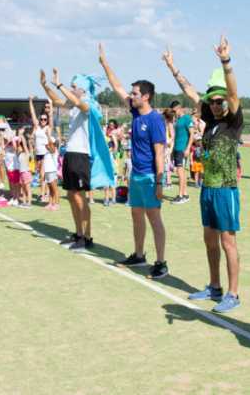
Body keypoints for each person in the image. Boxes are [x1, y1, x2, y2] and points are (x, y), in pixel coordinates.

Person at [163, 36, 243, 312]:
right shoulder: (209, 119)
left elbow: (233, 93)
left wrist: (226, 61)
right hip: (207, 188)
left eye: (220, 101)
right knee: (210, 241)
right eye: (213, 101)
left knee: (227, 242)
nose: (216, 105)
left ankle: (233, 293)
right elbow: (190, 92)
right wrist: (173, 68)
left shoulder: (233, 122)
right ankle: (214, 286)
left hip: (225, 189)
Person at [100, 43, 168, 278]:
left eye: (135, 93)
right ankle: (139, 255)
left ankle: (161, 262)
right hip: (136, 175)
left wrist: (159, 182)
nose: (131, 96)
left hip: (149, 177)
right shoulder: (136, 112)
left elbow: (159, 153)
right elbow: (117, 87)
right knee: (136, 215)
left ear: (146, 96)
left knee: (154, 218)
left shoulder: (155, 120)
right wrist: (105, 64)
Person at [39, 67, 116, 251]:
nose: (71, 89)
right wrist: (45, 86)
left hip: (81, 156)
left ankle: (87, 237)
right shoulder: (74, 105)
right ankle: (78, 233)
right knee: (71, 195)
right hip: (70, 154)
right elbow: (58, 101)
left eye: (74, 86)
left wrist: (59, 84)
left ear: (83, 89)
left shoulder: (88, 105)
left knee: (80, 198)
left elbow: (76, 101)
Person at [168, 101, 194, 204]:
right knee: (181, 172)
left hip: (182, 149)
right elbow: (176, 136)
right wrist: (172, 151)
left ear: (179, 108)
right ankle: (185, 194)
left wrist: (188, 148)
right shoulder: (178, 120)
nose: (174, 113)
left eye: (174, 111)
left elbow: (192, 135)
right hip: (177, 149)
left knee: (180, 173)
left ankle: (181, 196)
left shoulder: (187, 118)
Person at [29, 96, 53, 202]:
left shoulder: (48, 128)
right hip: (37, 154)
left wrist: (51, 104)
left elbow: (51, 116)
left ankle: (42, 195)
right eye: (41, 119)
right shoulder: (37, 127)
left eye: (45, 119)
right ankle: (47, 193)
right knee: (40, 175)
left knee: (43, 175)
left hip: (46, 154)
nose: (43, 120)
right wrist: (30, 101)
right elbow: (32, 113)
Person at [41, 137, 61, 211]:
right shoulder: (47, 152)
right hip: (48, 172)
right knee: (50, 189)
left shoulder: (54, 150)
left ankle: (57, 204)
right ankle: (50, 203)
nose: (45, 145)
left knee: (55, 189)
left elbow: (51, 145)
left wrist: (48, 135)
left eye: (47, 144)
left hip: (52, 172)